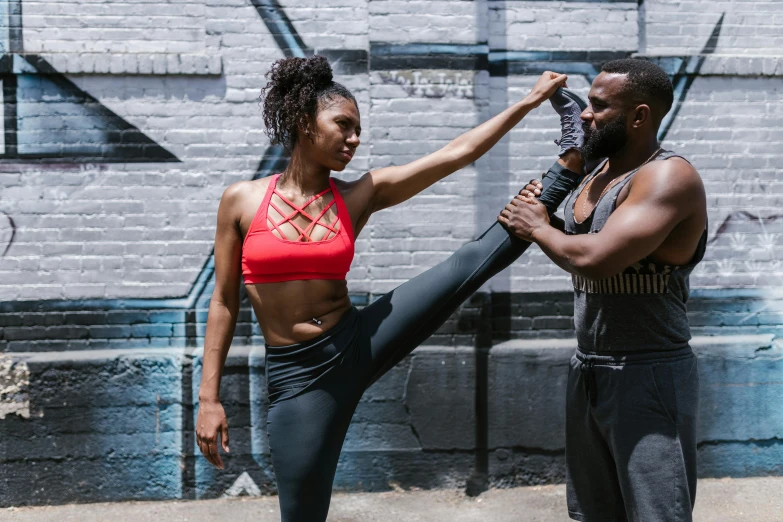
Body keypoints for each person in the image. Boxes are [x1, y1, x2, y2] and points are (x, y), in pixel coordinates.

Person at [195, 54, 585, 521]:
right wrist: (209, 398)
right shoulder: (241, 200)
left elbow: (454, 155)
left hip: (358, 340)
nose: (354, 139)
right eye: (343, 125)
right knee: (302, 514)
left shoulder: (360, 194)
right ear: (302, 121)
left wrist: (531, 100)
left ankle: (569, 164)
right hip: (298, 377)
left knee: (466, 264)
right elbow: (223, 302)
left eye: (358, 129)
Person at [499, 58, 708, 522]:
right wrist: (545, 213)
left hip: (649, 370)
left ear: (639, 116)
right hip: (589, 366)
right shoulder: (597, 173)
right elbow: (571, 236)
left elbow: (595, 259)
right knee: (594, 513)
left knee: (657, 513)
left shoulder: (667, 177)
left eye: (598, 105)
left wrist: (537, 226)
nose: (587, 114)